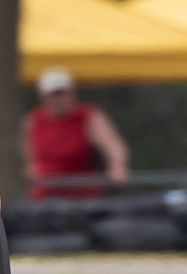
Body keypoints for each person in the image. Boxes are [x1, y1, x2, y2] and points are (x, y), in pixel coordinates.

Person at [22, 67, 130, 200]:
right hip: (45, 194)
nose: (58, 99)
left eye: (62, 93)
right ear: (43, 97)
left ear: (72, 94)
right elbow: (29, 158)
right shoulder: (33, 120)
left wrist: (117, 166)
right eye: (53, 95)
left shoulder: (89, 117)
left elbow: (113, 146)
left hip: (82, 194)